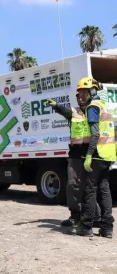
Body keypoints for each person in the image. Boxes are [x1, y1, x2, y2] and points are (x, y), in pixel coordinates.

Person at [47, 93, 101, 228]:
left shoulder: (94, 110)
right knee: (73, 185)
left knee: (90, 188)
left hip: (92, 154)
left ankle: (96, 217)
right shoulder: (74, 112)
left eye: (83, 95)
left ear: (90, 95)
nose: (80, 98)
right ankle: (75, 216)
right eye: (78, 96)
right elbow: (65, 111)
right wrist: (56, 106)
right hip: (75, 155)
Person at [73, 77, 115, 237]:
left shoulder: (92, 107)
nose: (81, 96)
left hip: (97, 154)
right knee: (104, 190)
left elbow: (95, 133)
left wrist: (89, 155)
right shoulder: (104, 106)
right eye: (79, 93)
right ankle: (107, 228)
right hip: (108, 154)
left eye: (84, 92)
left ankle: (86, 226)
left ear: (92, 91)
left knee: (90, 190)